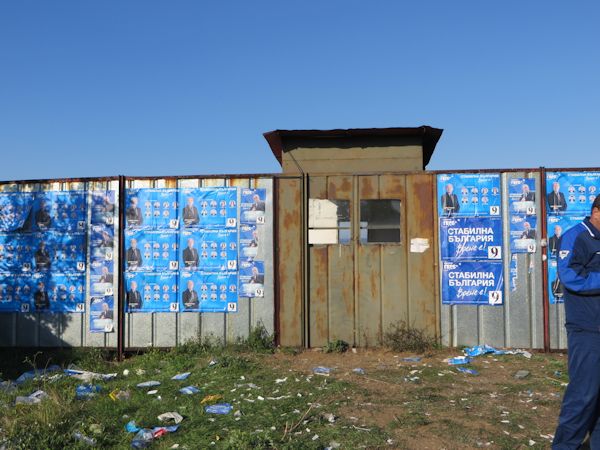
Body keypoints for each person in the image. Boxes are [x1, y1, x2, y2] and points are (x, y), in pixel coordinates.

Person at [553, 195, 600, 449]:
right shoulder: (575, 237)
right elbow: (571, 277)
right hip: (587, 330)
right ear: (596, 212)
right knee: (583, 396)